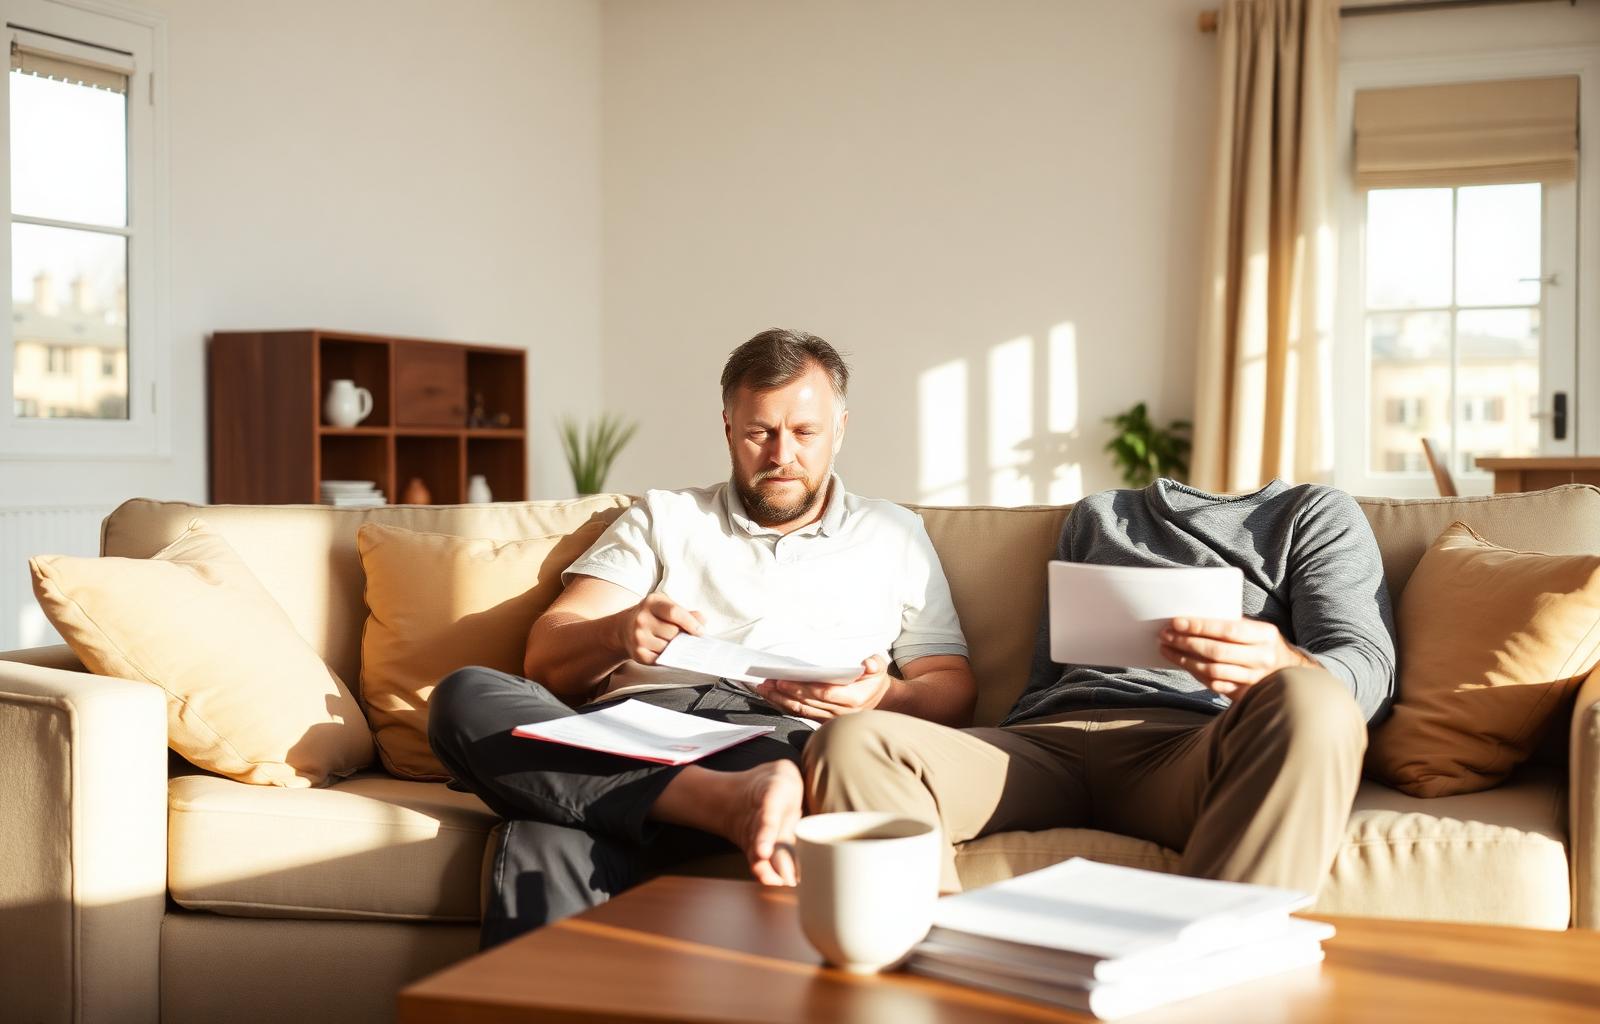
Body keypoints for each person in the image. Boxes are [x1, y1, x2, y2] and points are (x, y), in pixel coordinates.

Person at [428, 328, 975, 946]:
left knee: (540, 829)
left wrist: (882, 699)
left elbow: (950, 686)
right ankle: (725, 803)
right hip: (632, 732)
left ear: (840, 429)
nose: (780, 456)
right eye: (759, 432)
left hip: (781, 745)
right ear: (726, 428)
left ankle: (738, 795)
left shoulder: (895, 534)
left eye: (804, 433)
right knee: (464, 694)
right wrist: (618, 633)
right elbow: (547, 658)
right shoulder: (665, 518)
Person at [804, 478, 1397, 896]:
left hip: (1187, 748)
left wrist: (1283, 664)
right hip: (1044, 745)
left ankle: (1208, 976)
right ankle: (941, 974)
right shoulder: (1100, 514)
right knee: (853, 741)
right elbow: (1048, 668)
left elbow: (1367, 663)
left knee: (1313, 697)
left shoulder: (1315, 513)